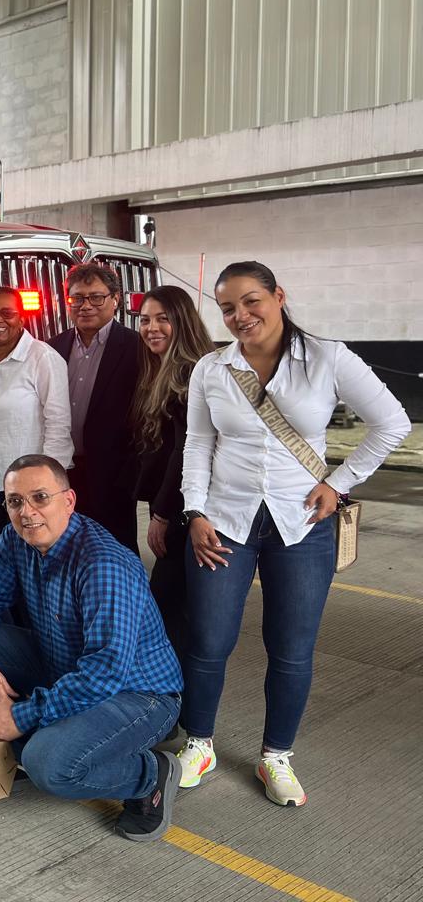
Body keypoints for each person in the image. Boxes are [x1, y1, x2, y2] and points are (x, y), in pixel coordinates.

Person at [176, 261, 409, 806]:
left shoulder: (327, 358)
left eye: (251, 301)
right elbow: (197, 445)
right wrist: (195, 512)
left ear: (279, 296)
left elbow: (392, 422)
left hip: (302, 525)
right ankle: (200, 743)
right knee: (209, 643)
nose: (240, 315)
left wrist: (341, 483)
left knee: (291, 650)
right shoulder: (212, 369)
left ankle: (276, 756)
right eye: (228, 307)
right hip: (224, 522)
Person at [0, 454, 185, 842]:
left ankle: (149, 775)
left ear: (69, 500)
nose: (27, 513)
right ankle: (40, 729)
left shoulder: (103, 565)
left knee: (49, 765)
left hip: (137, 693)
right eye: (15, 501)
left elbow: (104, 673)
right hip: (62, 665)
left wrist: (23, 716)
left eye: (40, 497)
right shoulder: (17, 538)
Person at [130, 286, 214, 659]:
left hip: (186, 511)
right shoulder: (164, 369)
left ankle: (171, 701)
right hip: (182, 507)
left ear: (183, 321)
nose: (152, 328)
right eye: (145, 319)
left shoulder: (188, 373)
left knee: (169, 611)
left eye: (163, 318)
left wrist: (162, 514)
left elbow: (184, 454)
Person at [48, 262, 142, 552]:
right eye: (77, 298)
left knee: (115, 548)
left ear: (115, 300)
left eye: (96, 297)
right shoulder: (52, 347)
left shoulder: (136, 347)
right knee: (66, 545)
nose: (86, 305)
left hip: (113, 473)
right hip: (64, 468)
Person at [0, 286, 73, 533]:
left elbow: (58, 425)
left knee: (33, 558)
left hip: (31, 490)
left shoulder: (43, 358)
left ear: (22, 317)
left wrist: (48, 489)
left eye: (7, 312)